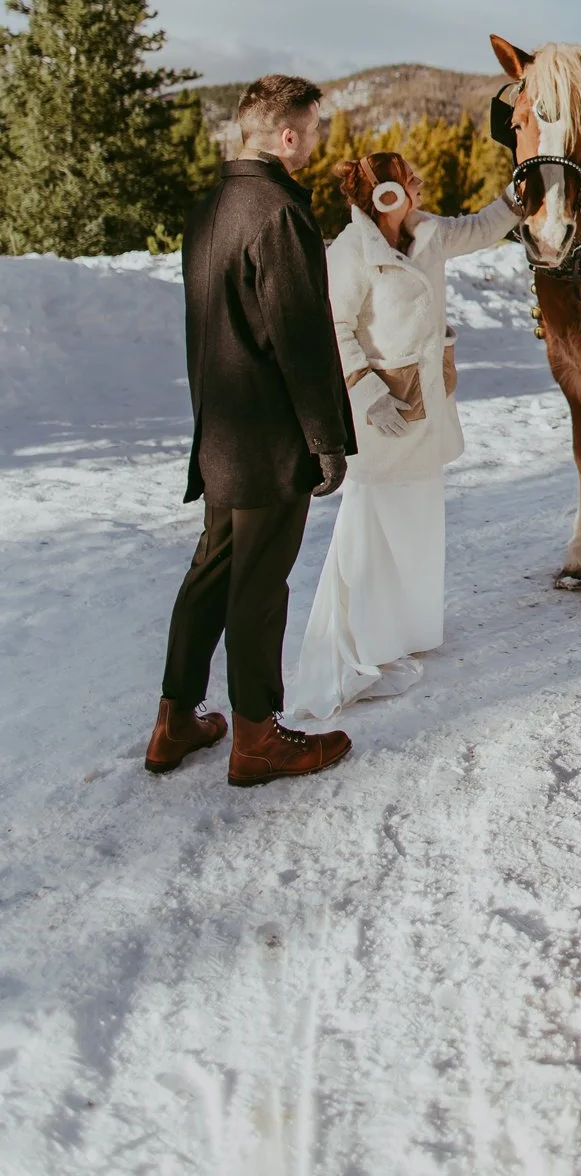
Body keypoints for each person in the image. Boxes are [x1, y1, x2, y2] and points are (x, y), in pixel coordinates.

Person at [145, 74, 356, 786]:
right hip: (270, 441)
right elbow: (300, 339)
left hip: (220, 432)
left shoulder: (209, 209)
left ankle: (174, 721)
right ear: (288, 136)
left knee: (211, 572)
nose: (318, 139)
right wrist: (326, 440)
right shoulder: (277, 215)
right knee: (259, 586)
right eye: (314, 127)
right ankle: (257, 737)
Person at [290, 151, 524, 718]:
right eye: (409, 182)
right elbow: (332, 326)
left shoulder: (428, 234)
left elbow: (479, 229)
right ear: (387, 195)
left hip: (426, 405)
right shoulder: (351, 254)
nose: (419, 187)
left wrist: (517, 200)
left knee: (418, 523)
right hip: (384, 412)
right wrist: (367, 393)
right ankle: (363, 642)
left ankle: (407, 629)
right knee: (375, 527)